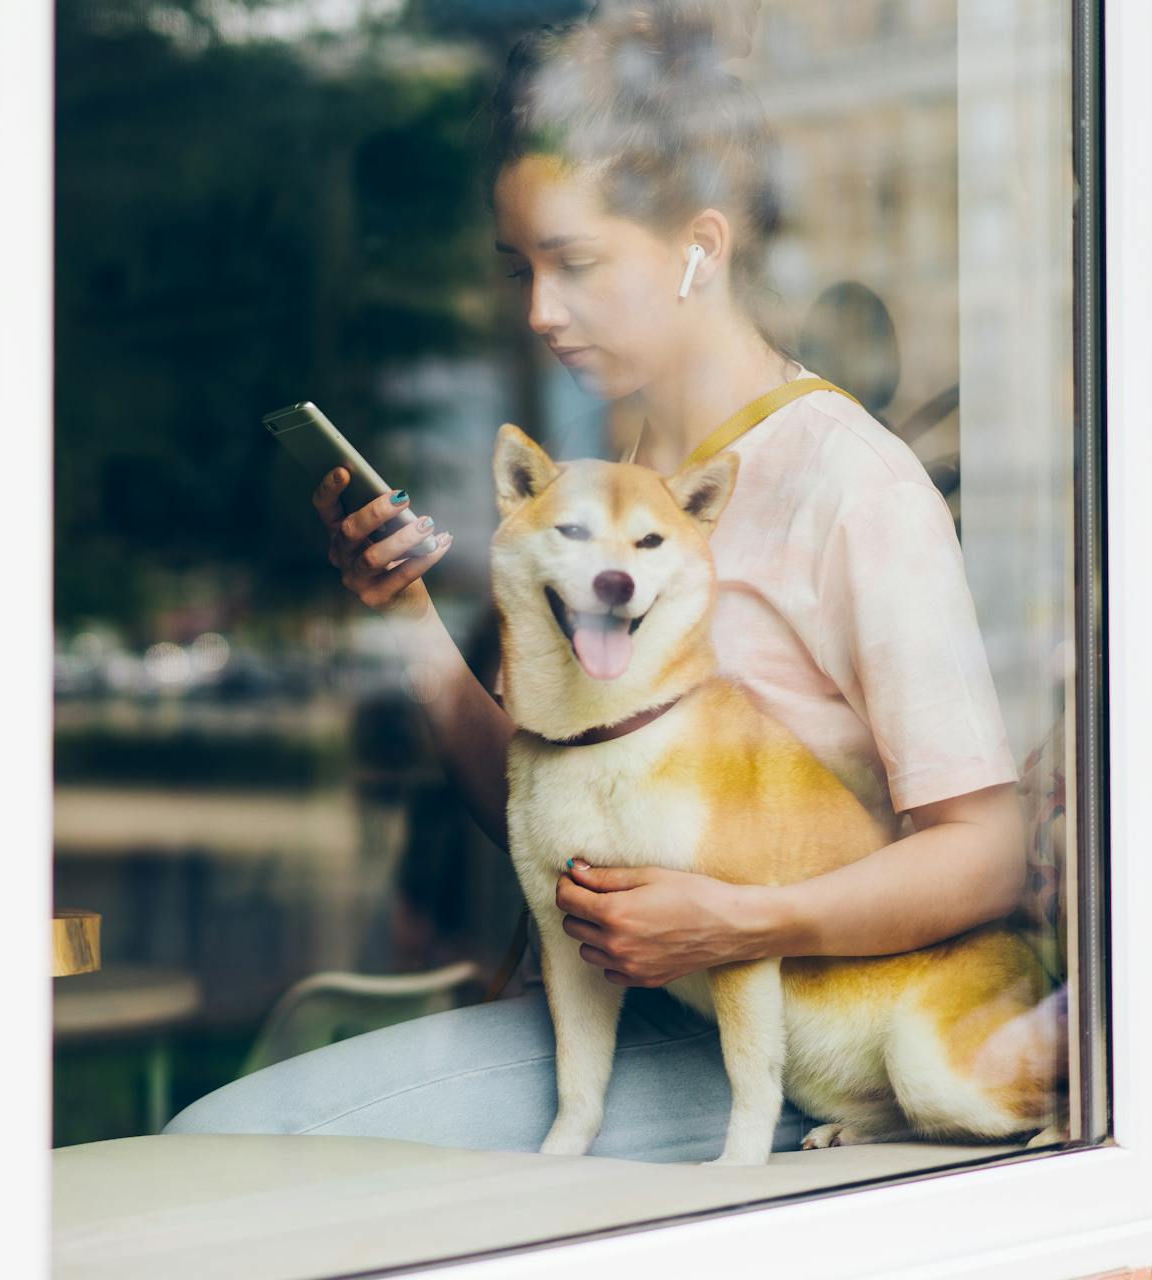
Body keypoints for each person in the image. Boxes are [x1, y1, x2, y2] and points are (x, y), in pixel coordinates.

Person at [162, 1, 1028, 1163]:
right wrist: (410, 622)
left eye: (575, 263)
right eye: (519, 267)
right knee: (236, 1140)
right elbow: (536, 807)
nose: (537, 312)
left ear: (699, 250)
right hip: (606, 1012)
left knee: (232, 1142)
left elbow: (986, 850)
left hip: (789, 1037)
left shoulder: (851, 485)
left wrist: (740, 919)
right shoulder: (608, 487)